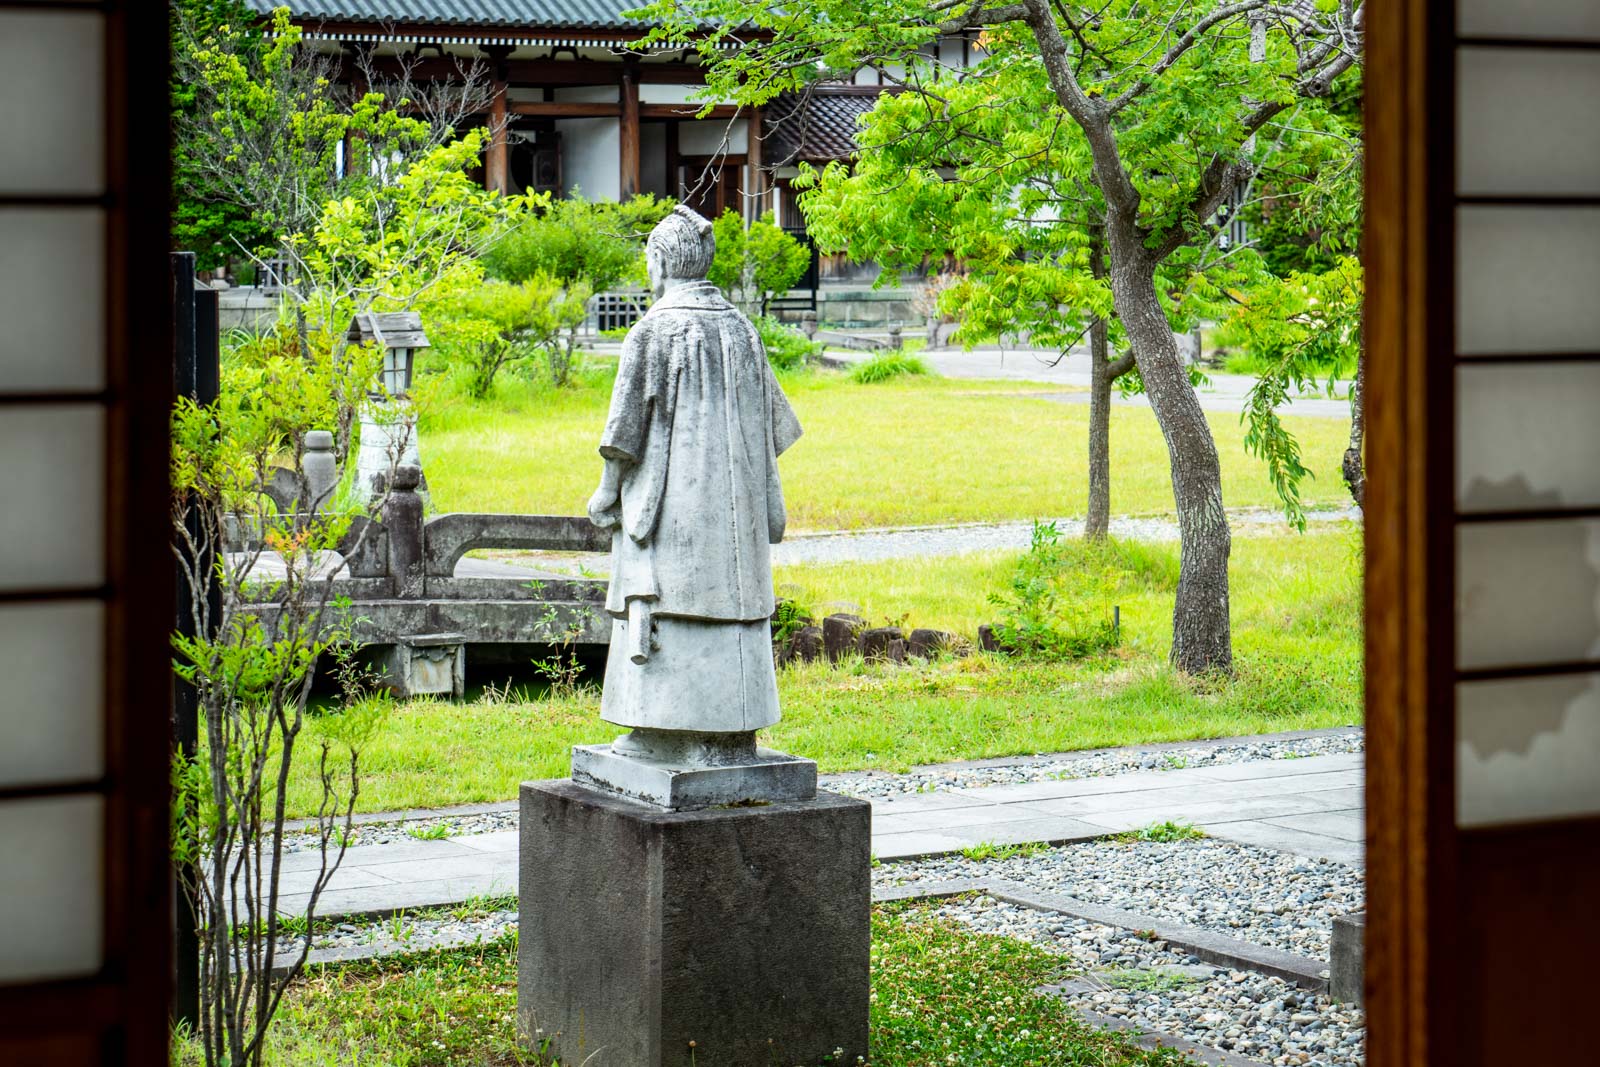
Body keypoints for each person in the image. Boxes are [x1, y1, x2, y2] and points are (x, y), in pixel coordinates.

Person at [586, 205, 803, 761]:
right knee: (727, 605)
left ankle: (661, 732)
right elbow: (776, 426)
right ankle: (727, 732)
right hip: (735, 513)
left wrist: (606, 491)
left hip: (673, 508)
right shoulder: (742, 329)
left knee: (668, 599)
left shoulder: (654, 330)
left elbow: (623, 434)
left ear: (660, 262)